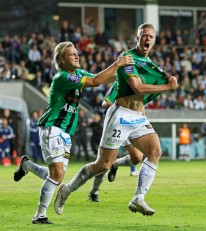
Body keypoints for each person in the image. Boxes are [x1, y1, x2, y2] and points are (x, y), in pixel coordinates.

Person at [54, 23, 178, 216]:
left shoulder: (150, 65)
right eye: (144, 35)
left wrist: (167, 82)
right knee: (102, 165)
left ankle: (138, 198)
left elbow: (150, 86)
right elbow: (136, 87)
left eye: (151, 37)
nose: (147, 39)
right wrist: (167, 88)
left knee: (154, 151)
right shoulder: (128, 59)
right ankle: (66, 189)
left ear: (154, 40)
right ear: (137, 37)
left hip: (138, 117)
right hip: (120, 115)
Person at [13, 41, 134, 224]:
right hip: (52, 127)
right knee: (57, 174)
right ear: (62, 60)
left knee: (57, 174)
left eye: (77, 53)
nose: (77, 56)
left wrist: (121, 74)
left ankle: (27, 166)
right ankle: (40, 216)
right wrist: (118, 64)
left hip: (66, 131)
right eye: (72, 54)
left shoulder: (78, 73)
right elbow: (96, 81)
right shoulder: (62, 77)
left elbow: (99, 78)